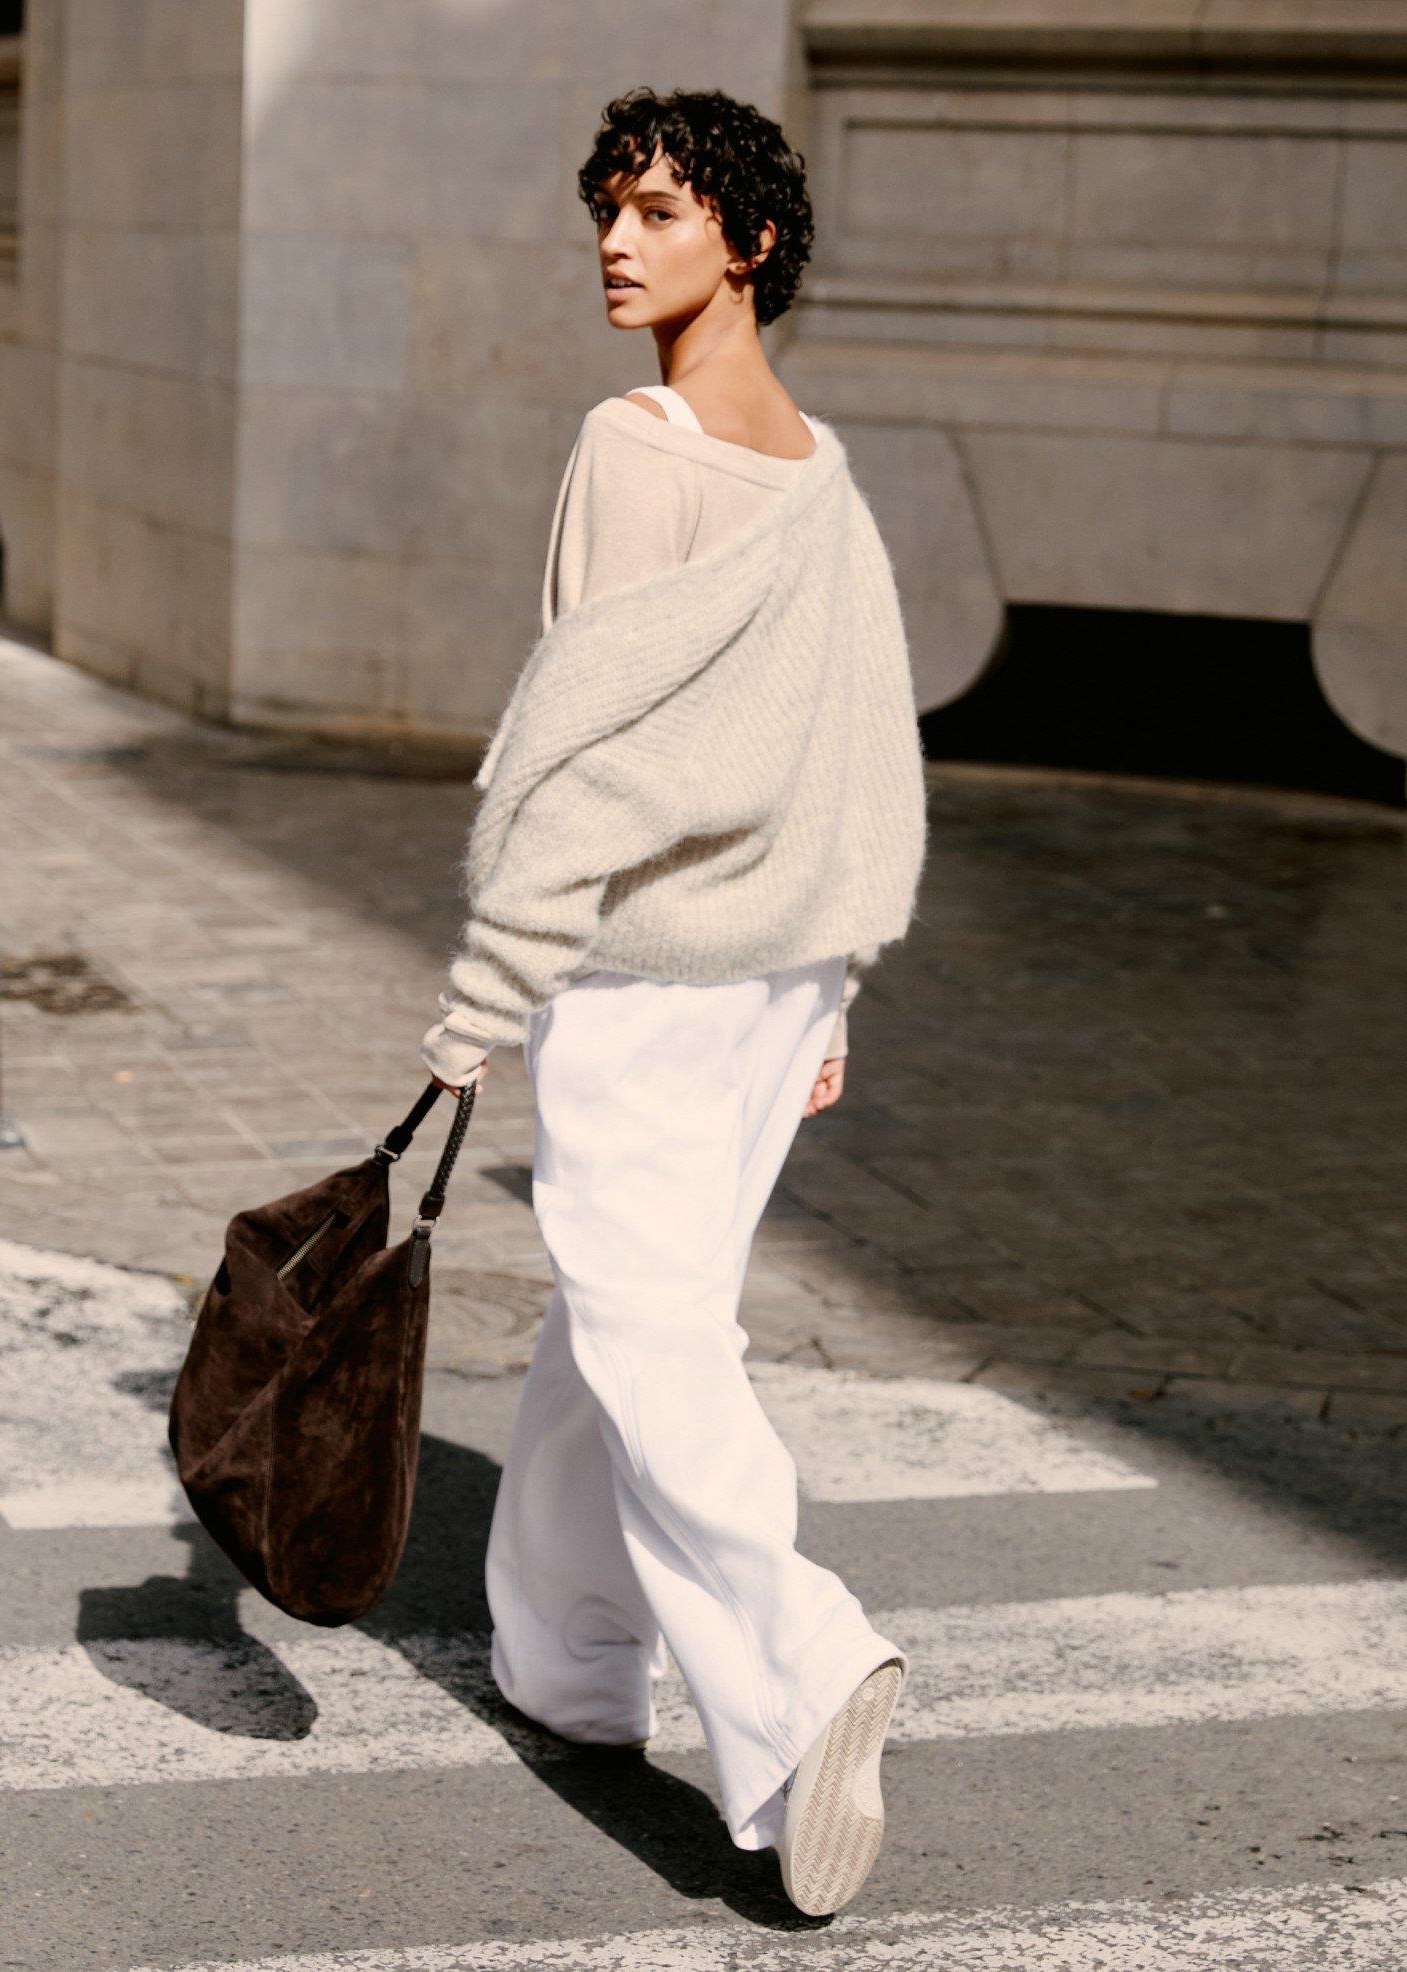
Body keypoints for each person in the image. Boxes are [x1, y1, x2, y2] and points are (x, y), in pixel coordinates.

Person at [417, 86, 927, 1917]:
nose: (618, 245)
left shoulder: (631, 441)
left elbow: (580, 752)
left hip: (645, 973)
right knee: (618, 1314)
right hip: (779, 978)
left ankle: (799, 1677)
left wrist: (487, 988)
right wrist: (841, 992)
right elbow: (866, 753)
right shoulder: (819, 467)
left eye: (655, 210)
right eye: (605, 215)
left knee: (648, 1339)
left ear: (752, 237)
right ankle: (564, 1659)